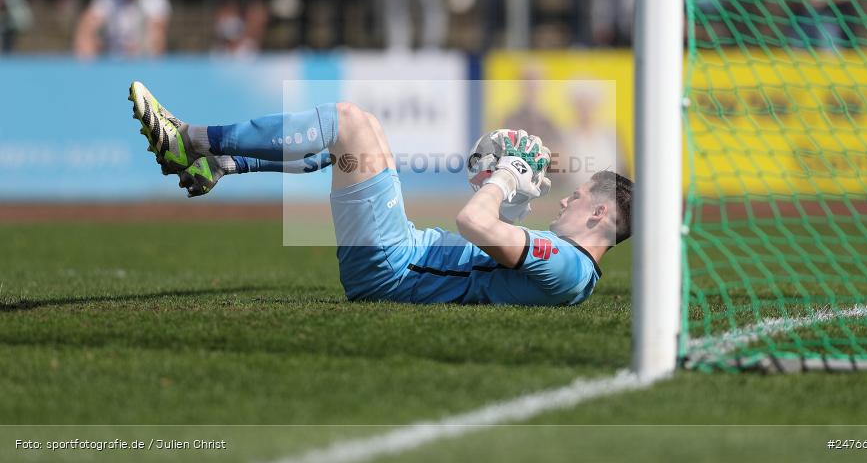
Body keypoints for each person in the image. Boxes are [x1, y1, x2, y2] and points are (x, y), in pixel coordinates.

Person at [127, 81, 633, 306]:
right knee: (355, 137)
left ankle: (191, 139)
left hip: (393, 268)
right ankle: (224, 163)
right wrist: (516, 199)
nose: (566, 200)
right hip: (402, 255)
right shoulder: (569, 267)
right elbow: (492, 253)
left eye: (580, 197)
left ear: (601, 214)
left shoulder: (569, 265)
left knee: (348, 123)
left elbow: (473, 225)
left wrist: (505, 179)